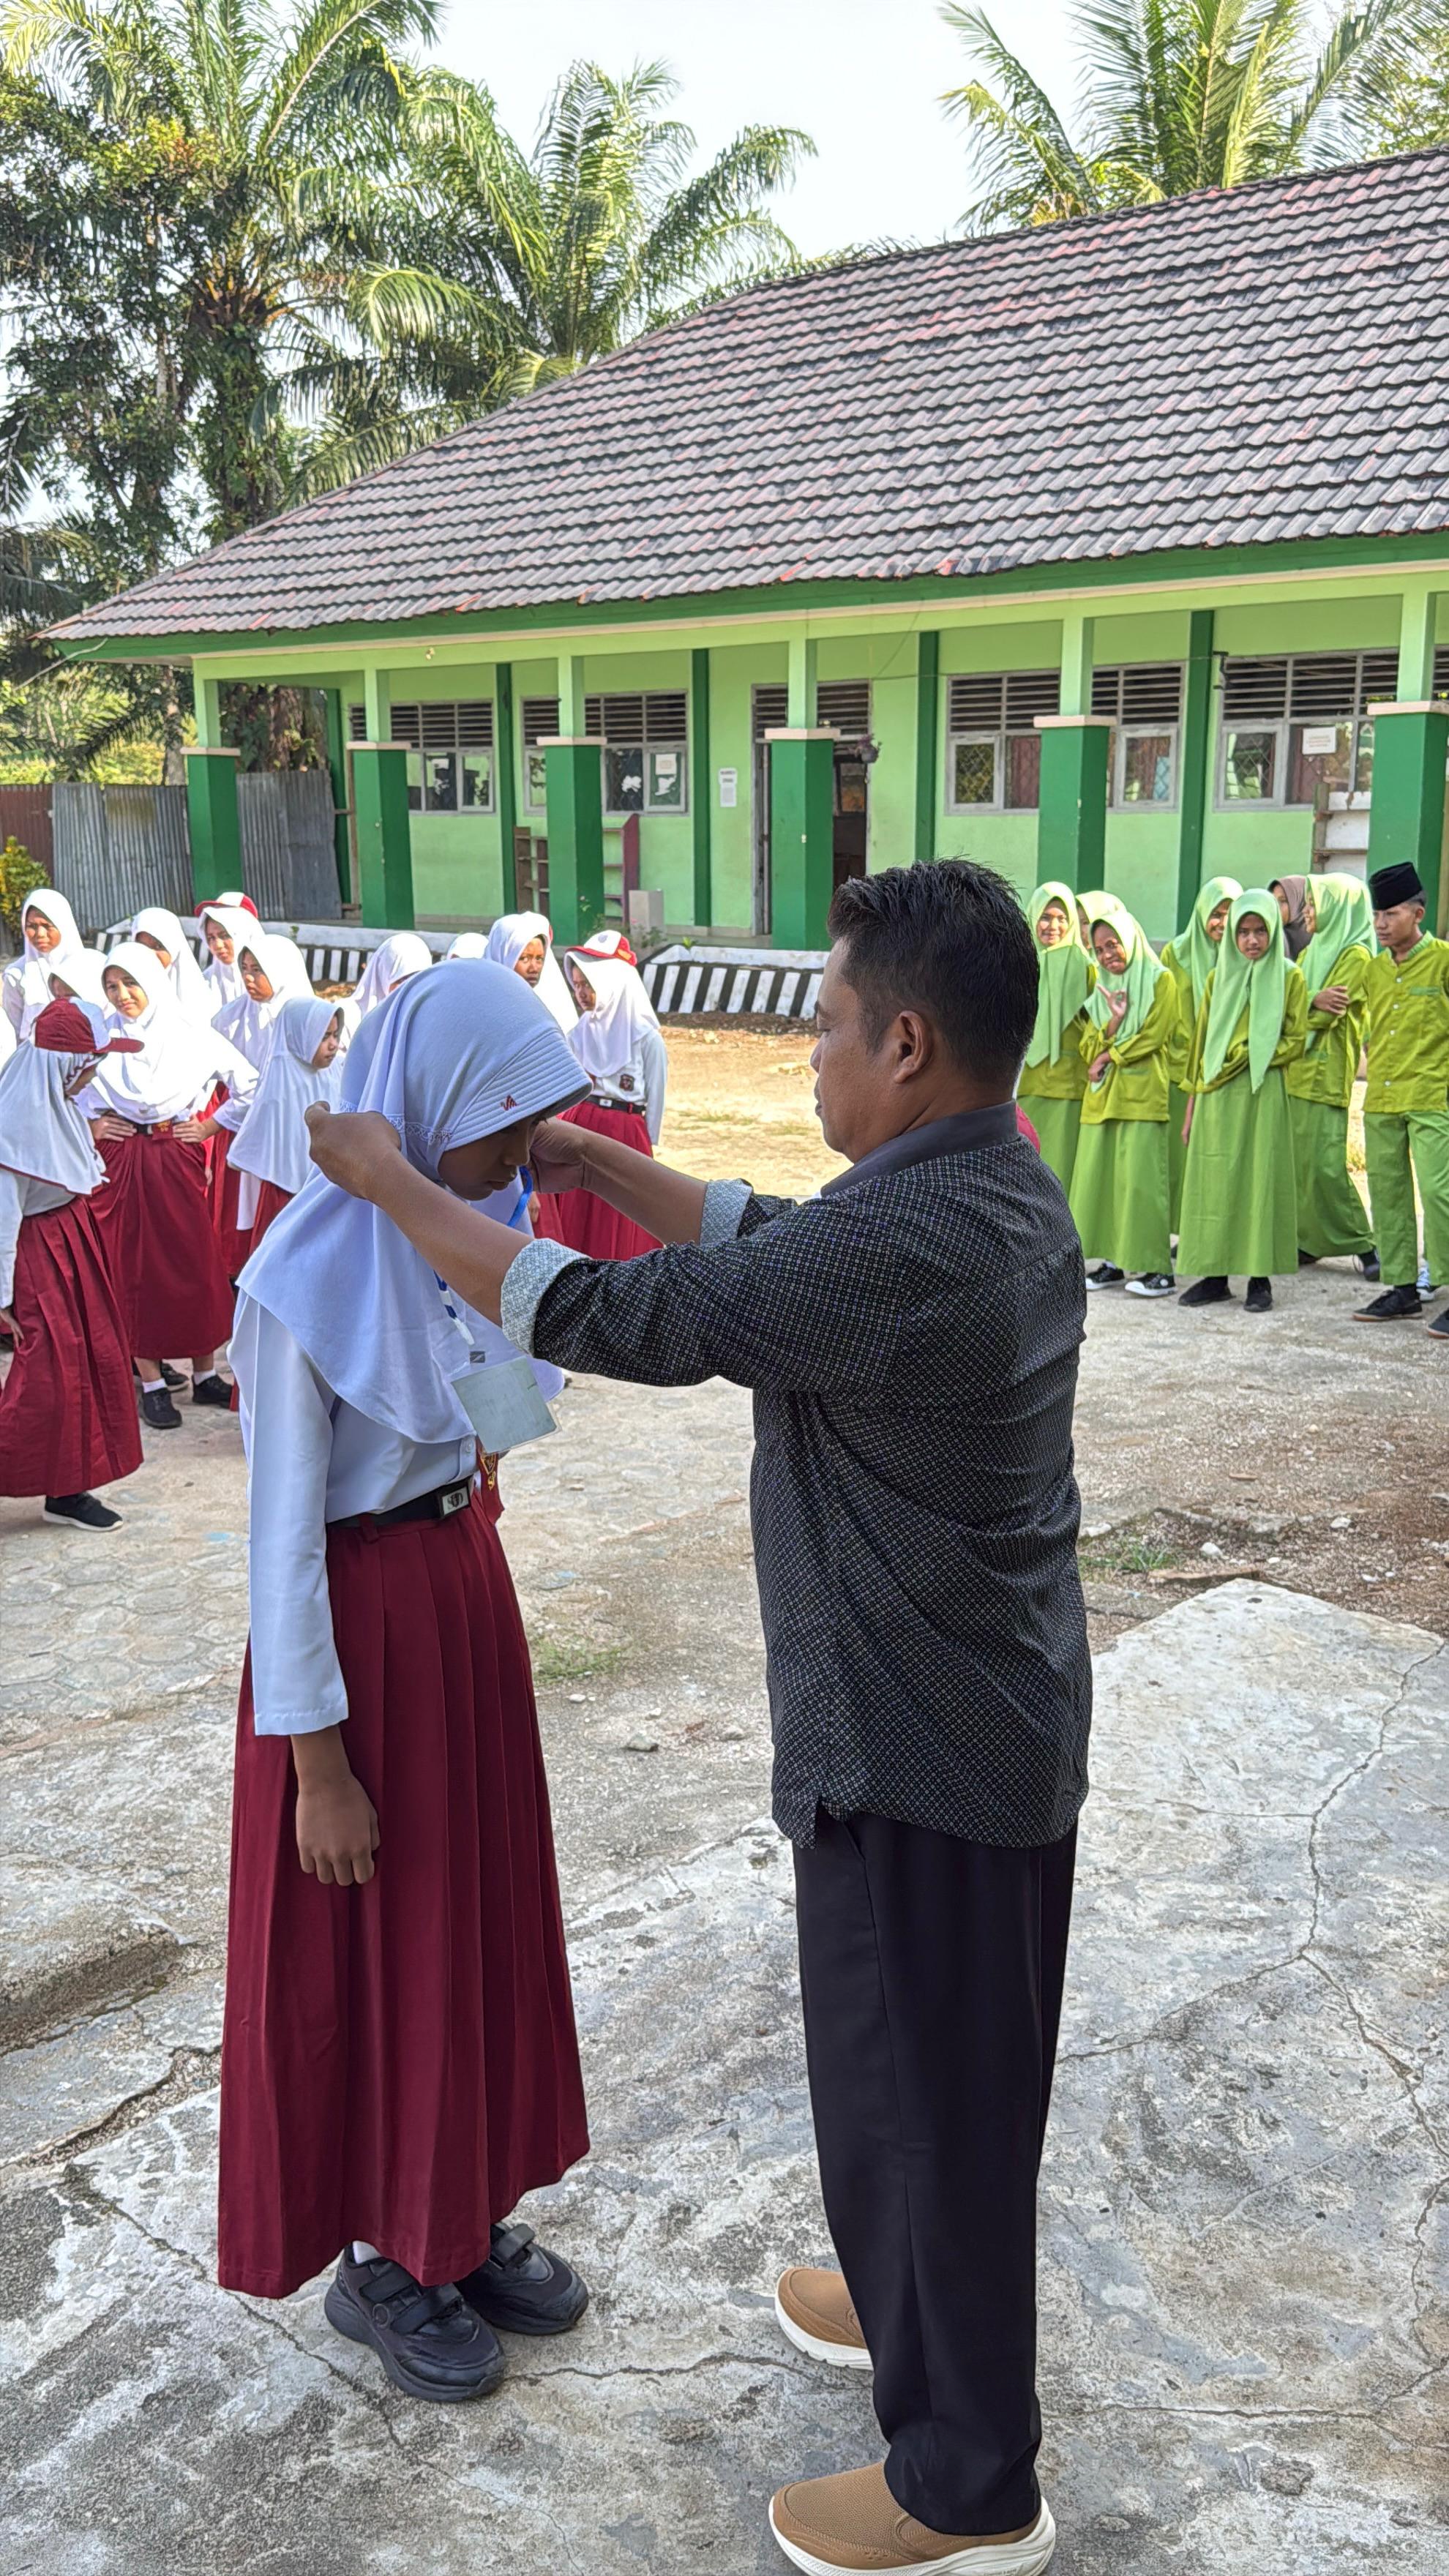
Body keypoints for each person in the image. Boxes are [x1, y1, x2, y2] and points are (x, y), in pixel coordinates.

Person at [306, 859, 1087, 2576]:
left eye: (824, 1025)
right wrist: (591, 1159)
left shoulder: (914, 1237)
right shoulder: (979, 1181)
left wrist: (388, 1179)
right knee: (909, 2079)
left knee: (934, 2100)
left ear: (904, 1042)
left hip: (923, 1748)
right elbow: (766, 1235)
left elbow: (615, 1312)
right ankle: (904, 2295)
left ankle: (967, 2480)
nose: (808, 1054)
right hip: (962, 1719)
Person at [220, 962, 591, 2398]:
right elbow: (280, 1545)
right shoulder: (300, 1279)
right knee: (383, 1951)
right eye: (509, 1121)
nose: (523, 1151)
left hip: (458, 1599)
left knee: (470, 1919)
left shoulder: (464, 1234)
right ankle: (386, 2255)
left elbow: (504, 1413)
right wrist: (317, 1765)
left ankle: (464, 2207)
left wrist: (481, 1438)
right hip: (362, 1637)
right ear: (433, 1104)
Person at [83, 941, 251, 1426]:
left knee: (192, 1260)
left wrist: (210, 1126)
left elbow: (250, 1083)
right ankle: (153, 1383)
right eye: (111, 986)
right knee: (134, 1267)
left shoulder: (188, 1033)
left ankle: (204, 1373)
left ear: (153, 982)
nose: (121, 995)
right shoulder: (100, 1038)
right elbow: (61, 1090)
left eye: (130, 983)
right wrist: (92, 1125)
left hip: (175, 1150)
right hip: (121, 1157)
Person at [0, 999, 145, 1530]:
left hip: (69, 1242)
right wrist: (3, 1297)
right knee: (48, 1371)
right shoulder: (13, 1123)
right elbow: (3, 1219)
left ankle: (67, 1486)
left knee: (84, 1363)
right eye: (88, 1066)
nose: (91, 1076)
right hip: (38, 1254)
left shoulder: (54, 1104)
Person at [1177, 891, 1307, 1314]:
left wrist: (1253, 1054)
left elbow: (1296, 1041)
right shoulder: (1218, 978)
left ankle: (1259, 1279)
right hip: (1216, 1095)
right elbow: (1200, 1045)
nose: (1252, 941)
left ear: (1274, 932)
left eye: (1261, 931)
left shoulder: (1290, 977)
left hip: (1261, 1092)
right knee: (1215, 1182)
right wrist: (1192, 1106)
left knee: (1258, 1181)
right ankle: (1214, 1276)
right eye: (1244, 932)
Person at [1353, 860, 1449, 1335]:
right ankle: (1403, 1289)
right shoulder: (1373, 970)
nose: (1381, 924)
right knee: (1388, 1195)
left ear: (1418, 913)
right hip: (1382, 1101)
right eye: (1377, 915)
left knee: (1439, 1192)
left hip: (1432, 1095)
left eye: (1391, 914)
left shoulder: (1443, 961)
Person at [1066, 894, 1179, 1297]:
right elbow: (1087, 1046)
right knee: (1108, 1184)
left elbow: (1154, 1035)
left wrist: (1109, 1055)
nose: (1107, 955)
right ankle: (1112, 1263)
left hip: (1142, 1096)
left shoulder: (1161, 980)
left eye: (1113, 944)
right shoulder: (1101, 987)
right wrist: (1113, 1023)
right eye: (1099, 949)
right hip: (1103, 1098)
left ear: (1129, 939)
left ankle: (1158, 1269)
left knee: (1141, 1186)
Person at [534, 937, 670, 1259]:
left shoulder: (645, 1038)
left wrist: (647, 1138)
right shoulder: (577, 1034)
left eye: (588, 985)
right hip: (583, 1123)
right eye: (577, 985)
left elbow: (656, 1093)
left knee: (624, 1210)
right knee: (582, 1208)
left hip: (626, 1129)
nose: (581, 993)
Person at [209, 932, 315, 1274]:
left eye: (259, 970)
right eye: (245, 969)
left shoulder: (308, 1019)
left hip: (293, 1133)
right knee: (243, 1209)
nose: (249, 978)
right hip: (244, 1127)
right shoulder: (229, 1019)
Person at [1285, 873, 1376, 1269]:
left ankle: (1365, 1244)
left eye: (1314, 903)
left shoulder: (1356, 956)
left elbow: (1327, 1014)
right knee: (1300, 1166)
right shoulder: (1310, 953)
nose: (1306, 912)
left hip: (1326, 1073)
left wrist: (1303, 1006)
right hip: (1295, 1070)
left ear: (1338, 907)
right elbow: (1290, 1002)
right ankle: (1310, 1239)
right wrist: (1310, 999)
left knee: (1325, 1167)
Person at [228, 997, 345, 1245]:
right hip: (283, 1195)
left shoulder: (336, 1073)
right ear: (300, 1036)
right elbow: (250, 1149)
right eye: (324, 1037)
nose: (334, 1044)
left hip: (328, 1188)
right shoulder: (278, 1088)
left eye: (335, 1035)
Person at [1159, 877, 1241, 1226]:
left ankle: (1211, 1225)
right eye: (1216, 914)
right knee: (1179, 1154)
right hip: (1180, 1068)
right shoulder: (1175, 953)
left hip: (1224, 1068)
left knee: (1215, 1153)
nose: (1222, 922)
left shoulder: (1242, 957)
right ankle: (1182, 1227)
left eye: (1230, 914)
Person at [1016, 882, 1094, 1191]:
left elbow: (1094, 1025)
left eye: (1063, 918)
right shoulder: (1021, 964)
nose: (1054, 926)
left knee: (1060, 1172)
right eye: (1046, 917)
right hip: (1024, 1083)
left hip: (1067, 1086)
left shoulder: (1085, 966)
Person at [2, 888, 85, 1042]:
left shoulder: (90, 967)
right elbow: (13, 1031)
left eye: (47, 925)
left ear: (64, 925)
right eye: (32, 926)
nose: (40, 934)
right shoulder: (16, 975)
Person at [482, 910, 577, 1029]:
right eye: (524, 958)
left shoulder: (554, 1006)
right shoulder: (482, 1005)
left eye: (539, 959)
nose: (534, 968)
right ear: (501, 956)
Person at [132, 906, 218, 1023]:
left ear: (173, 947)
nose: (149, 954)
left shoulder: (201, 998)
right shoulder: (129, 995)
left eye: (158, 946)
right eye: (142, 947)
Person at [198, 897, 259, 1013]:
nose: (218, 945)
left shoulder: (269, 981)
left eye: (225, 935)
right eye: (211, 938)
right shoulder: (203, 983)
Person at [352, 929, 433, 1015]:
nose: (411, 986)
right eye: (403, 980)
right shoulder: (350, 1017)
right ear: (383, 977)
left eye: (419, 978)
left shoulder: (431, 1016)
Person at [1270, 873, 1315, 961]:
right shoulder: (1271, 938)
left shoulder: (1320, 942)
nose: (1275, 907)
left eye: (1283, 901)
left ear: (1302, 902)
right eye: (1273, 901)